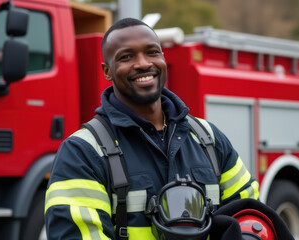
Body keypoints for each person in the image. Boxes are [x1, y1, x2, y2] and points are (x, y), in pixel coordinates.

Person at [44, 18, 259, 240]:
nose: (143, 63)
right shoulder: (82, 153)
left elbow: (250, 216)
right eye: (126, 57)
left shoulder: (208, 138)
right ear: (107, 71)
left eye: (152, 52)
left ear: (163, 58)